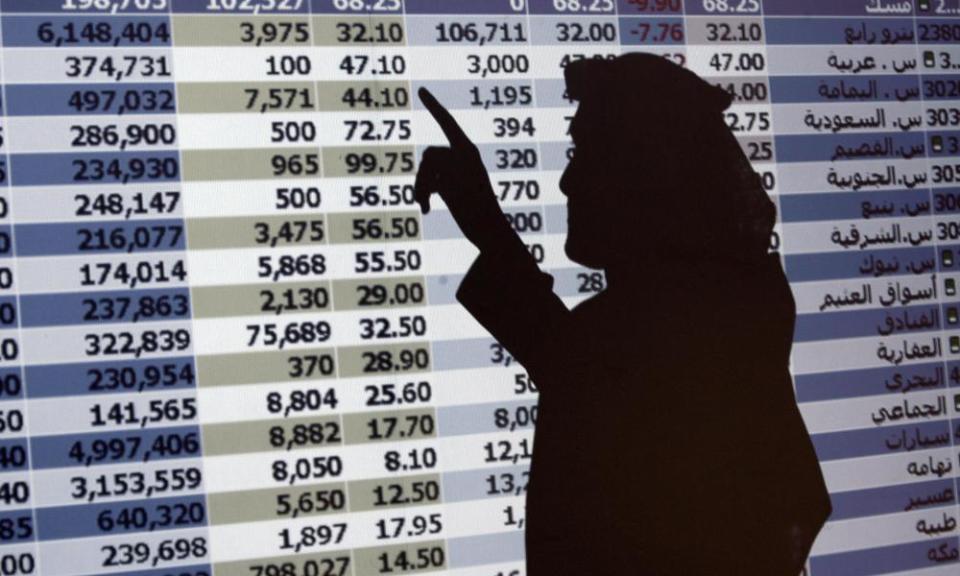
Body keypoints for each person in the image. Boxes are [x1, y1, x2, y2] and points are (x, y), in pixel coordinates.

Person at [413, 52, 832, 575]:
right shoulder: (734, 308)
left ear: (647, 175)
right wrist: (486, 223)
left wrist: (487, 223)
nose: (567, 181)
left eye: (586, 152)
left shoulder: (667, 336)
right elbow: (582, 366)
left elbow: (587, 366)